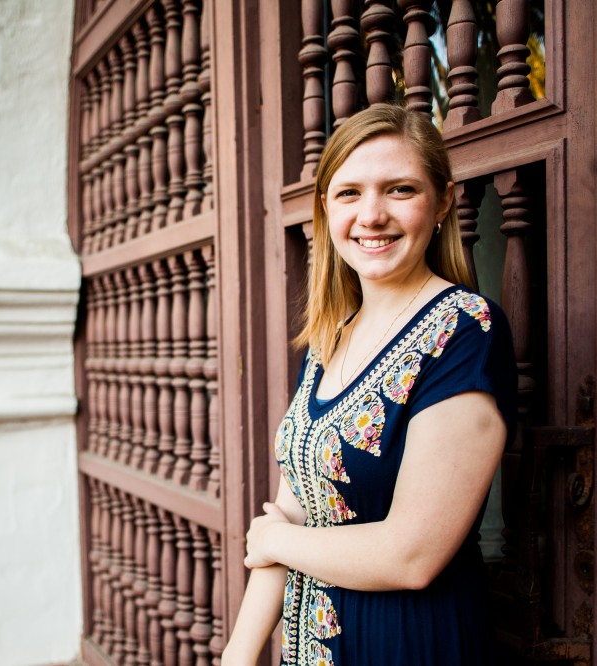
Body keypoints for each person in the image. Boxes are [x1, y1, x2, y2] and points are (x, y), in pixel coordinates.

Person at [222, 103, 517, 665]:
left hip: (407, 643)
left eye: (400, 190)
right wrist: (237, 655)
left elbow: (413, 555)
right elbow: (290, 510)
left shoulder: (463, 330)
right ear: (327, 210)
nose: (372, 215)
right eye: (349, 193)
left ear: (442, 202)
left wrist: (276, 541)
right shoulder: (332, 335)